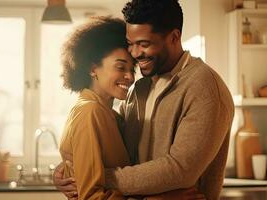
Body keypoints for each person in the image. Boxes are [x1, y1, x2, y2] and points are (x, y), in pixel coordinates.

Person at [55, 0, 234, 199]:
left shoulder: (205, 89)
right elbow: (107, 143)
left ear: (174, 37)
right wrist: (70, 169)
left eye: (144, 44)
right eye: (131, 44)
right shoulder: (140, 88)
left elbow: (180, 171)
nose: (135, 53)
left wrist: (93, 175)